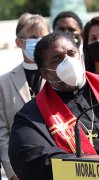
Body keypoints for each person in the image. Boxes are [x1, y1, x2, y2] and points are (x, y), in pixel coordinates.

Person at [8, 32, 99, 180]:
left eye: (71, 53)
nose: (68, 61)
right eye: (57, 59)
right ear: (44, 73)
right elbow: (32, 158)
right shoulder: (31, 116)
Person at [0, 13, 49, 180]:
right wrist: (12, 172)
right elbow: (2, 131)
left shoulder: (58, 76)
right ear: (19, 42)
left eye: (44, 36)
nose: (39, 41)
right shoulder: (4, 82)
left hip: (55, 163)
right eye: (33, 37)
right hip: (20, 168)